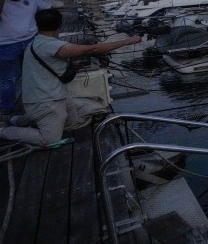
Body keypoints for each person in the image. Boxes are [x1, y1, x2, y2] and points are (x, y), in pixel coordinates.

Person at [0, 8, 141, 146]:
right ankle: (4, 130)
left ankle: (22, 119)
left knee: (74, 123)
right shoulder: (51, 45)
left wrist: (73, 65)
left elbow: (52, 64)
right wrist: (128, 41)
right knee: (50, 139)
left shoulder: (37, 42)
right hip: (45, 100)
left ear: (37, 25)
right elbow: (92, 49)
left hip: (57, 95)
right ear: (60, 24)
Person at [0, 0, 51, 114]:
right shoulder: (2, 1)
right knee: (8, 80)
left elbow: (48, 10)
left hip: (30, 41)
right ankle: (5, 111)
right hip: (6, 46)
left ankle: (35, 105)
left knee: (33, 74)